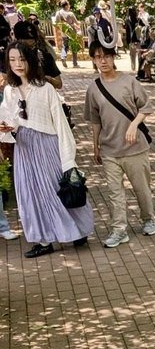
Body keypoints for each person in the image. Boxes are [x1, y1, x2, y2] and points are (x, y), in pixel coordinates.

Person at [0, 42, 94, 256]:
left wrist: (69, 158)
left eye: (22, 59)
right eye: (13, 60)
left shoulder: (46, 88)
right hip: (24, 147)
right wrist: (7, 127)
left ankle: (77, 231)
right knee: (30, 194)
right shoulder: (10, 91)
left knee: (57, 189)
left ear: (30, 60)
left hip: (48, 144)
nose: (17, 64)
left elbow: (61, 123)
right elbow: (8, 119)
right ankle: (43, 240)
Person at [84, 41, 155, 248]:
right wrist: (96, 146)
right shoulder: (94, 88)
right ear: (94, 60)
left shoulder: (129, 82)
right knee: (115, 193)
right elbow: (95, 121)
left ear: (113, 57)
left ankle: (148, 218)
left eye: (106, 56)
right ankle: (119, 230)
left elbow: (146, 107)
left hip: (135, 149)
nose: (102, 61)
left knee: (141, 188)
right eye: (97, 57)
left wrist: (134, 125)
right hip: (109, 150)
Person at [13, 21, 62, 90]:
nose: (29, 50)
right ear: (17, 41)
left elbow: (59, 84)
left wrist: (48, 79)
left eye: (32, 45)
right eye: (25, 46)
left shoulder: (44, 56)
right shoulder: (8, 58)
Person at [54, 0, 81, 68]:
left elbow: (56, 23)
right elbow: (76, 22)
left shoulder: (58, 13)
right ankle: (75, 63)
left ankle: (63, 57)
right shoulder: (70, 14)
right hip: (72, 32)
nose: (69, 6)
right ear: (66, 6)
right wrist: (77, 25)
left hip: (64, 32)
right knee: (73, 47)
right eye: (68, 5)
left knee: (65, 46)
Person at [123, 7, 140, 72]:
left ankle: (133, 68)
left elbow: (127, 32)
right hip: (138, 39)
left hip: (131, 40)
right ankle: (139, 68)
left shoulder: (127, 20)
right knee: (139, 55)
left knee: (132, 55)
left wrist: (127, 41)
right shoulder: (138, 19)